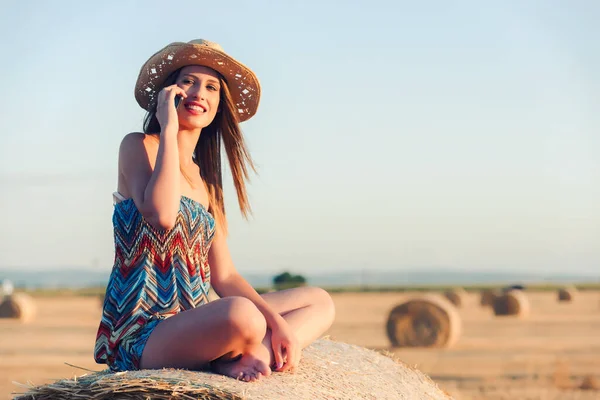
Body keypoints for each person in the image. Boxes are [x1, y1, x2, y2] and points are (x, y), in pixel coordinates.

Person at [93, 39, 335, 382]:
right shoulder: (139, 146)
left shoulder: (208, 184)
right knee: (244, 315)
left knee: (318, 302)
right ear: (168, 92)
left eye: (211, 87)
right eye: (188, 81)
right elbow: (160, 214)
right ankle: (232, 354)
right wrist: (170, 127)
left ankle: (249, 357)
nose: (198, 93)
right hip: (143, 333)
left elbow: (225, 277)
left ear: (219, 106)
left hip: (199, 320)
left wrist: (276, 321)